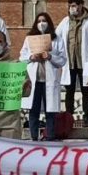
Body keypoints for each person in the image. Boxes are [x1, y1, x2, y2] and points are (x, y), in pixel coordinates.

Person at [20, 13, 66, 141]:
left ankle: (50, 135)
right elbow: (21, 56)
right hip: (35, 81)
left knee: (50, 110)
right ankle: (33, 136)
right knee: (33, 109)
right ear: (36, 23)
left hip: (49, 80)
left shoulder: (57, 39)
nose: (42, 23)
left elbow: (62, 60)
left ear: (49, 22)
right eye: (39, 21)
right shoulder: (30, 39)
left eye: (44, 20)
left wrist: (51, 57)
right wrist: (30, 57)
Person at [57, 0, 88, 128]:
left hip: (85, 62)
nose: (72, 8)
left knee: (86, 90)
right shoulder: (65, 22)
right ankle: (69, 117)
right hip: (70, 62)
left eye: (74, 5)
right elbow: (56, 37)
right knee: (70, 90)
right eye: (70, 6)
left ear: (81, 6)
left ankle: (86, 116)